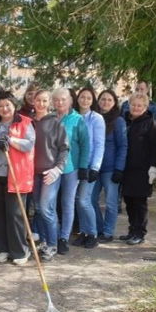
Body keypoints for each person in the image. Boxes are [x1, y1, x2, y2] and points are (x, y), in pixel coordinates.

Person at [0, 92, 35, 265]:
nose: (4, 109)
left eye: (7, 105)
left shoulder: (25, 122)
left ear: (14, 106)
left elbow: (29, 144)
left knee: (15, 214)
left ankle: (20, 251)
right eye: (0, 106)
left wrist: (10, 140)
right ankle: (2, 248)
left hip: (16, 175)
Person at [53, 88, 92, 255]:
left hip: (71, 168)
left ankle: (63, 237)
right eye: (56, 100)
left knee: (67, 203)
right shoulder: (50, 118)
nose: (60, 102)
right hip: (52, 167)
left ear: (69, 101)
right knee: (50, 203)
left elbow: (85, 145)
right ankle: (53, 234)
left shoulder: (77, 120)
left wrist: (83, 166)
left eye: (63, 99)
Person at [31, 89, 69, 262]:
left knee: (47, 208)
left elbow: (64, 148)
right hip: (33, 172)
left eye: (45, 101)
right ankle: (44, 241)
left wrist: (57, 169)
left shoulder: (56, 123)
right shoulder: (29, 123)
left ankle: (53, 244)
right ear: (33, 101)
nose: (41, 104)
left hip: (50, 172)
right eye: (38, 100)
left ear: (49, 103)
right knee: (38, 209)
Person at [120, 92, 156, 245]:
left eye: (139, 106)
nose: (136, 108)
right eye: (133, 105)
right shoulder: (125, 121)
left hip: (142, 170)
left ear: (145, 107)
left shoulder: (150, 124)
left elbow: (154, 148)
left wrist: (153, 167)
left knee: (139, 202)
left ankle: (140, 232)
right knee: (128, 201)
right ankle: (132, 229)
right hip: (127, 168)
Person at [69, 88, 105, 249]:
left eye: (88, 98)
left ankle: (93, 234)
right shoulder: (74, 117)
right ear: (78, 99)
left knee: (84, 199)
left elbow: (99, 145)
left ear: (92, 101)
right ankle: (83, 232)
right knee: (78, 199)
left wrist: (95, 168)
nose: (85, 100)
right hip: (74, 165)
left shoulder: (96, 118)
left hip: (90, 165)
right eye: (82, 97)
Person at [90, 90, 127, 243]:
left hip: (110, 168)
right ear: (98, 101)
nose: (105, 102)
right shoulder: (93, 118)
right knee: (90, 199)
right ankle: (99, 228)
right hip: (94, 167)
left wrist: (119, 168)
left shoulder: (118, 121)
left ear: (114, 103)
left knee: (111, 203)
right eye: (103, 99)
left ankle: (108, 232)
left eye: (109, 100)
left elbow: (123, 146)